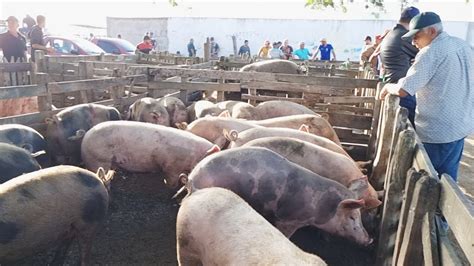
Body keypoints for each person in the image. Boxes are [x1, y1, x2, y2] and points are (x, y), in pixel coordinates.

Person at [380, 12, 474, 180]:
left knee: (425, 179)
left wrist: (388, 86)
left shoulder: (431, 52)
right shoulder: (463, 45)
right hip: (460, 124)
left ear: (431, 31)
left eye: (416, 36)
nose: (414, 42)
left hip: (437, 129)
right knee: (448, 178)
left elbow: (405, 89)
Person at [379, 6, 420, 125]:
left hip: (393, 85)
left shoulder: (392, 33)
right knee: (412, 131)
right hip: (402, 91)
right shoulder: (404, 36)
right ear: (413, 22)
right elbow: (425, 53)